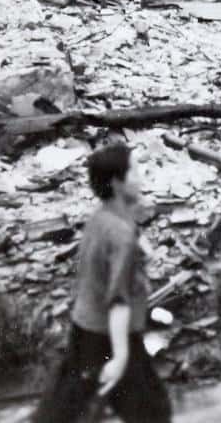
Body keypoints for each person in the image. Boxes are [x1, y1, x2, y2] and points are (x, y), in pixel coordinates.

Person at [33, 143, 171, 423]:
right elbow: (118, 301)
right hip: (111, 333)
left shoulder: (101, 216)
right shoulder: (120, 234)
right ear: (117, 183)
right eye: (134, 171)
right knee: (151, 411)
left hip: (85, 324)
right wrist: (119, 357)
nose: (142, 176)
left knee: (65, 403)